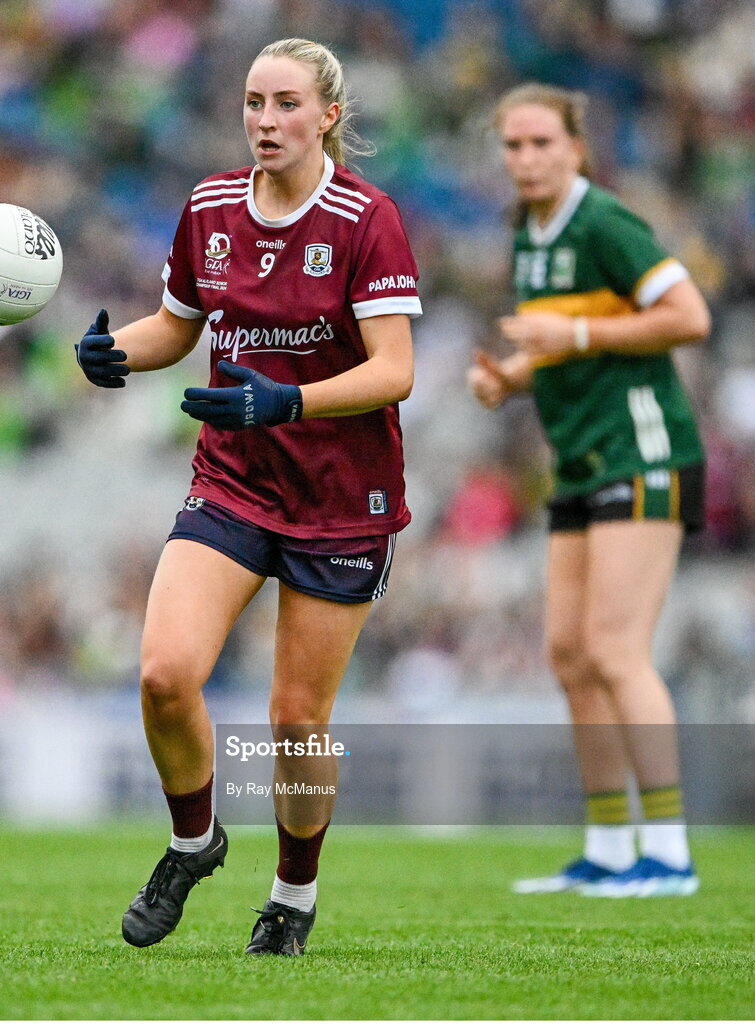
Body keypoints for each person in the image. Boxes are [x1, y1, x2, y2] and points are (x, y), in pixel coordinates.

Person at [76, 38, 421, 952]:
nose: (265, 121)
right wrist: (116, 352)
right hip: (231, 482)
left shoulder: (365, 217)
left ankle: (292, 899)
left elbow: (395, 370)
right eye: (253, 103)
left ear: (328, 116)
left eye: (285, 105)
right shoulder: (211, 205)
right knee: (162, 674)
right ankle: (194, 842)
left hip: (340, 500)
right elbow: (175, 328)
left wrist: (290, 399)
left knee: (295, 722)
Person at [469, 83, 710, 897]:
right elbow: (565, 347)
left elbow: (687, 316)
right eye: (513, 146)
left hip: (640, 453)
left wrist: (569, 333)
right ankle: (609, 847)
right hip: (578, 458)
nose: (527, 159)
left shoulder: (604, 221)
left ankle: (668, 852)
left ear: (577, 147)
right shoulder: (526, 234)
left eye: (542, 143)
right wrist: (512, 377)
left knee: (613, 650)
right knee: (569, 656)